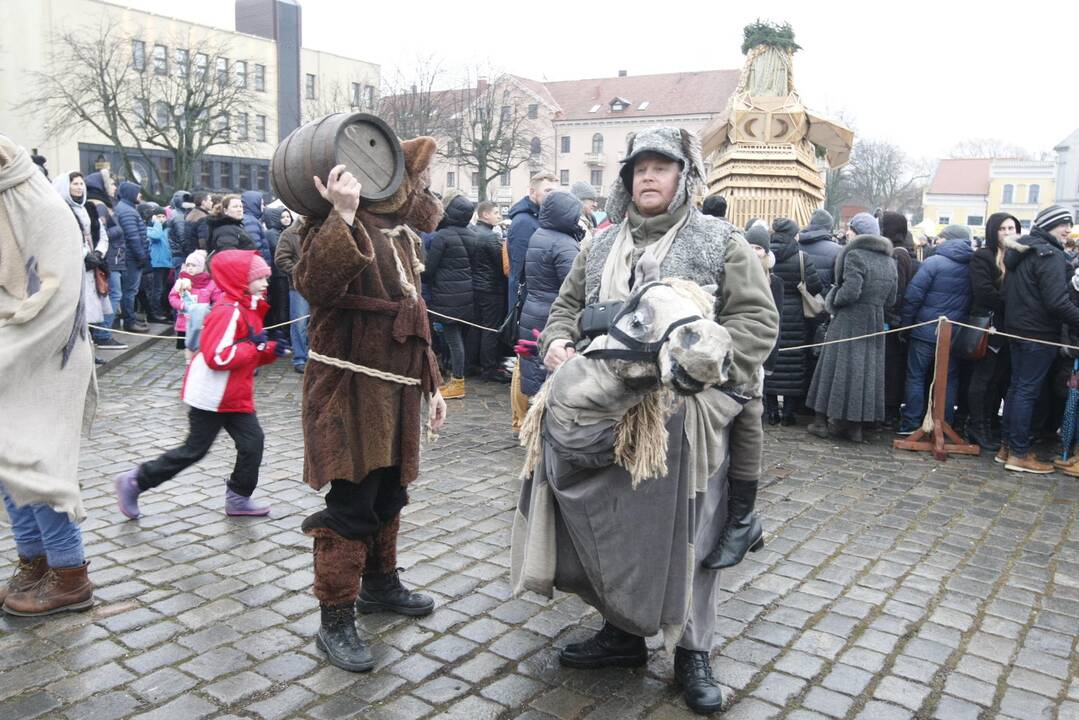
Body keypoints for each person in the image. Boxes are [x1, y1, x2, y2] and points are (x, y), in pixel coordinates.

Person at [526, 127, 778, 715]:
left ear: (684, 177)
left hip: (688, 420)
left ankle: (692, 650)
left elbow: (758, 324)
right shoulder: (598, 244)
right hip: (608, 418)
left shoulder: (721, 242)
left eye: (661, 167)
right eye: (639, 168)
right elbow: (564, 309)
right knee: (617, 529)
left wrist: (701, 376)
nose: (647, 177)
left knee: (690, 536)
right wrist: (558, 343)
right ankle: (622, 631)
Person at [291, 138, 447, 673]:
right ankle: (334, 620)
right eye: (420, 182)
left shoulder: (403, 237)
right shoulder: (337, 222)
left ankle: (379, 586)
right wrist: (343, 214)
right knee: (352, 504)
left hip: (397, 390)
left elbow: (414, 318)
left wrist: (431, 385)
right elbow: (314, 283)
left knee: (391, 492)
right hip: (349, 390)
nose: (427, 193)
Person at [0, 135, 95, 617]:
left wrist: (6, 350)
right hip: (11, 354)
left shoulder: (45, 211)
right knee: (7, 462)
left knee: (39, 464)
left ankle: (69, 573)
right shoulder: (5, 208)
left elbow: (55, 302)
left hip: (47, 357)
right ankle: (33, 562)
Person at [114, 249, 282, 519]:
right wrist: (257, 347)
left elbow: (247, 351)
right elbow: (218, 356)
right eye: (260, 278)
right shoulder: (228, 311)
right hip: (212, 395)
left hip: (235, 395)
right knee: (194, 450)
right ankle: (136, 481)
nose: (265, 283)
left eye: (266, 278)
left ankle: (239, 497)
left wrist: (271, 349)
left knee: (253, 443)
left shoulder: (248, 308)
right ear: (241, 280)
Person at [1000, 205, 1078, 473]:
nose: (1068, 229)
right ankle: (1019, 453)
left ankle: (1008, 447)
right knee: (1025, 391)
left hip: (1019, 329)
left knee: (1017, 388)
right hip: (1038, 333)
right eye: (1062, 224)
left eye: (1070, 224)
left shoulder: (1025, 252)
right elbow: (1057, 302)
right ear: (1048, 226)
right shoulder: (1049, 255)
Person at [807, 213, 898, 442]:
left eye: (851, 229)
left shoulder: (854, 255)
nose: (847, 232)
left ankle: (822, 422)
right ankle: (855, 428)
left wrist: (832, 299)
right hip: (874, 321)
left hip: (849, 320)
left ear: (858, 233)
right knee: (865, 373)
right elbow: (891, 299)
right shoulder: (889, 260)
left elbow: (850, 292)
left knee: (833, 369)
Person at [897, 225, 973, 434]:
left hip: (925, 331)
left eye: (941, 237)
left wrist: (907, 325)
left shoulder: (933, 262)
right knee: (948, 379)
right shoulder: (972, 265)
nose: (937, 241)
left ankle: (911, 423)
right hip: (955, 333)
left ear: (948, 240)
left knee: (916, 376)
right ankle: (944, 423)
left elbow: (913, 296)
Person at [515, 191, 583, 397]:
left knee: (534, 372)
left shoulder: (540, 234)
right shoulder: (564, 244)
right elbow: (575, 288)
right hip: (551, 315)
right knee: (547, 380)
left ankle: (529, 422)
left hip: (533, 310)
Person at [966, 213, 1019, 451]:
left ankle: (989, 423)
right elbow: (983, 292)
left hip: (1010, 328)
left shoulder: (1018, 257)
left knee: (999, 380)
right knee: (983, 378)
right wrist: (1014, 304)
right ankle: (976, 426)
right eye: (1003, 228)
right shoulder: (983, 257)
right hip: (988, 327)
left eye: (1012, 228)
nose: (1008, 232)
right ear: (993, 231)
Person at [766, 217, 822, 425]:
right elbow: (815, 286)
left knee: (772, 360)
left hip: (770, 311)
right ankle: (788, 413)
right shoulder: (801, 257)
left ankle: (771, 411)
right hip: (796, 316)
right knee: (794, 365)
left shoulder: (766, 254)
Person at [423, 192, 477, 399]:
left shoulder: (442, 237)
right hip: (466, 294)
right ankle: (457, 378)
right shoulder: (472, 235)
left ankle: (457, 383)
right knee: (459, 340)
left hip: (447, 297)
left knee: (453, 341)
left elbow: (429, 271)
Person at [54, 173, 112, 346]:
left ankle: (90, 348)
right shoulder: (61, 209)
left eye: (81, 183)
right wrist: (85, 254)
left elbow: (101, 234)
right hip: (75, 265)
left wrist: (99, 254)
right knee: (79, 308)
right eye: (75, 183)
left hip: (93, 264)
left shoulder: (89, 207)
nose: (79, 187)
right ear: (67, 186)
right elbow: (64, 238)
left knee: (93, 308)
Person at [880, 211, 916, 426]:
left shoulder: (897, 253)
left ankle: (890, 410)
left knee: (892, 367)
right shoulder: (901, 251)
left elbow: (897, 289)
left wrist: (891, 314)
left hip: (893, 321)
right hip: (896, 319)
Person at [84, 170, 126, 347]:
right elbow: (99, 233)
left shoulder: (102, 203)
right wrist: (119, 230)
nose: (114, 186)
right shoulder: (99, 205)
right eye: (111, 183)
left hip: (109, 257)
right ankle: (103, 334)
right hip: (108, 259)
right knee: (111, 294)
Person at [472, 201, 511, 383]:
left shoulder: (474, 232)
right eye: (496, 212)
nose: (499, 216)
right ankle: (489, 368)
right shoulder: (490, 237)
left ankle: (477, 363)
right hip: (491, 288)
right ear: (485, 215)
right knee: (490, 328)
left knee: (479, 326)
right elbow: (501, 264)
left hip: (478, 286)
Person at [273, 215, 308, 374]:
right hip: (298, 287)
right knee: (299, 324)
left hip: (318, 287)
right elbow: (281, 258)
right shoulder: (289, 233)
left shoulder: (320, 230)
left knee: (316, 324)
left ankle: (314, 357)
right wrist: (298, 272)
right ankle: (300, 358)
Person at [169, 250, 217, 362]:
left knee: (201, 343)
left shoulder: (210, 283)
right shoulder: (181, 281)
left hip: (202, 321)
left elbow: (217, 299)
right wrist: (181, 305)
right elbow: (172, 297)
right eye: (188, 265)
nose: (190, 268)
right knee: (187, 345)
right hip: (184, 320)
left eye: (193, 265)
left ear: (201, 267)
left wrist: (209, 310)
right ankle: (189, 361)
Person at [114, 180, 150, 332]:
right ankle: (129, 322)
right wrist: (142, 257)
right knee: (130, 291)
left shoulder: (126, 208)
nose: (140, 195)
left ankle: (131, 318)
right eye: (137, 192)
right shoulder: (128, 211)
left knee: (129, 290)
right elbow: (133, 237)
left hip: (130, 256)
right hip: (131, 257)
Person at [262, 206, 293, 342]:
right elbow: (278, 250)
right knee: (282, 304)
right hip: (279, 275)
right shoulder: (272, 233)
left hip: (284, 274)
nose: (286, 219)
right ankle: (283, 333)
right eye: (283, 217)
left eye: (288, 216)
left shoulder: (287, 232)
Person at [142, 202, 172, 323]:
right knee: (157, 289)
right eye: (158, 216)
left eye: (163, 216)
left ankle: (162, 311)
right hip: (156, 264)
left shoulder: (168, 229)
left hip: (166, 263)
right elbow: (156, 236)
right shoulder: (149, 229)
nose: (161, 219)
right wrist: (156, 223)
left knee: (163, 289)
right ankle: (155, 313)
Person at [241, 190, 272, 265]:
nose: (263, 206)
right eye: (261, 204)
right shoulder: (251, 221)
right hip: (257, 267)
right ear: (255, 204)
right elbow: (256, 246)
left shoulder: (250, 219)